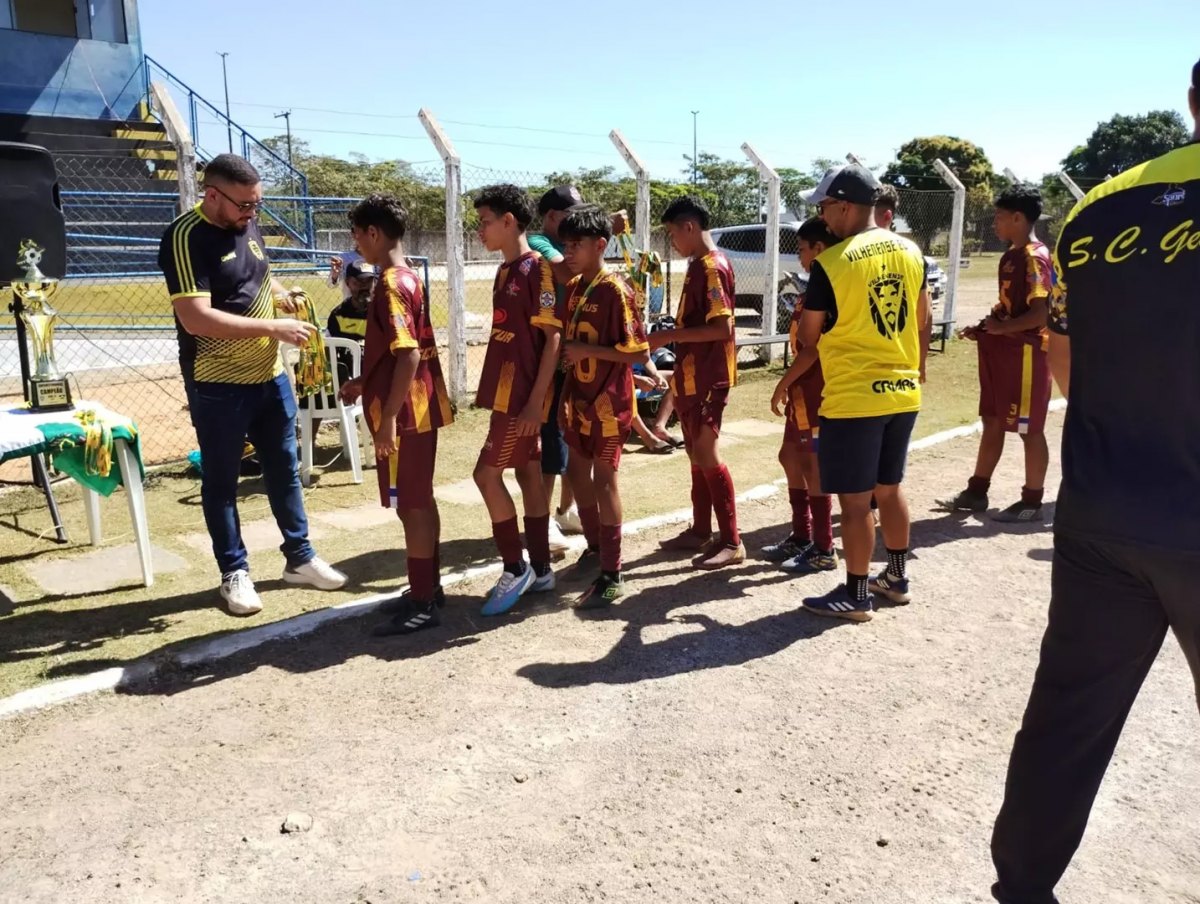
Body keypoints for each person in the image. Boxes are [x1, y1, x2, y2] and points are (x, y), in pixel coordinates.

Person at [989, 59, 1200, 904]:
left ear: (1192, 101)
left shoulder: (1100, 205)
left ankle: (1021, 888)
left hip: (1104, 509)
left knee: (1067, 720)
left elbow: (1068, 366)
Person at [158, 153, 347, 616]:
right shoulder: (185, 238)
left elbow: (258, 275)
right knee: (222, 481)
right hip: (218, 382)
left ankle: (299, 558)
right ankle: (234, 572)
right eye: (244, 205)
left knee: (285, 471)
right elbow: (195, 317)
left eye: (256, 205)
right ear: (213, 195)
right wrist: (271, 329)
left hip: (270, 377)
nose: (251, 214)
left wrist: (282, 298)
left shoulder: (248, 224)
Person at [791, 164, 930, 621]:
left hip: (854, 396)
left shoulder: (831, 263)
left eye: (826, 205)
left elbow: (809, 337)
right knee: (888, 490)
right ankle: (894, 576)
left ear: (846, 206)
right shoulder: (912, 252)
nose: (823, 215)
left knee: (853, 503)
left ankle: (855, 594)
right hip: (903, 391)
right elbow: (922, 318)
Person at [337, 195, 453, 636]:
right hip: (414, 406)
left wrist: (386, 419)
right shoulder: (407, 278)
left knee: (412, 506)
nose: (355, 244)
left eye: (357, 234)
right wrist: (365, 383)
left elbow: (406, 356)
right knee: (419, 499)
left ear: (373, 233)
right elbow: (399, 352)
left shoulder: (388, 284)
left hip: (404, 414)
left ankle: (423, 602)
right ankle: (428, 588)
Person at [472, 184, 563, 616]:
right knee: (527, 473)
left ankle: (515, 566)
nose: (479, 231)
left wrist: (535, 403)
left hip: (521, 402)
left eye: (485, 222)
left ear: (510, 222)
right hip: (506, 395)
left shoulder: (537, 269)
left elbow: (554, 339)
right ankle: (542, 568)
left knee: (485, 477)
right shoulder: (504, 271)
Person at [557, 205, 650, 606]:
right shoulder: (578, 286)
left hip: (610, 405)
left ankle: (612, 575)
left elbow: (637, 349)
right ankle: (596, 548)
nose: (569, 252)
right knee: (576, 473)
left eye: (577, 245)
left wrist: (583, 349)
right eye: (566, 245)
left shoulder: (617, 289)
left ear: (600, 244)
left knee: (604, 480)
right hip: (579, 401)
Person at [943, 185, 1052, 522]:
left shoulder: (1035, 257)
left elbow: (1041, 313)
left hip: (1027, 354)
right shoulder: (1010, 255)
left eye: (999, 217)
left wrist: (1001, 329)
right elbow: (1009, 306)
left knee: (1028, 427)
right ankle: (977, 491)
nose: (994, 223)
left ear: (1018, 218)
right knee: (991, 419)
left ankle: (1032, 500)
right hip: (1004, 351)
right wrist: (985, 326)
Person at [650, 196, 744, 570]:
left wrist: (668, 336)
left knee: (707, 453)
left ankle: (732, 541)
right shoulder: (698, 265)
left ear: (689, 227)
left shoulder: (712, 267)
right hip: (691, 375)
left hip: (709, 375)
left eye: (673, 233)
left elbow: (722, 328)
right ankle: (701, 530)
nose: (672, 241)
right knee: (694, 454)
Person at [765, 216, 839, 575]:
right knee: (789, 456)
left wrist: (782, 383)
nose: (799, 258)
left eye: (802, 249)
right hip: (801, 388)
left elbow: (813, 351)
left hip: (816, 388)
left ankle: (824, 547)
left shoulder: (829, 288)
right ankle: (801, 535)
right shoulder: (813, 288)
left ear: (819, 249)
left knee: (812, 464)